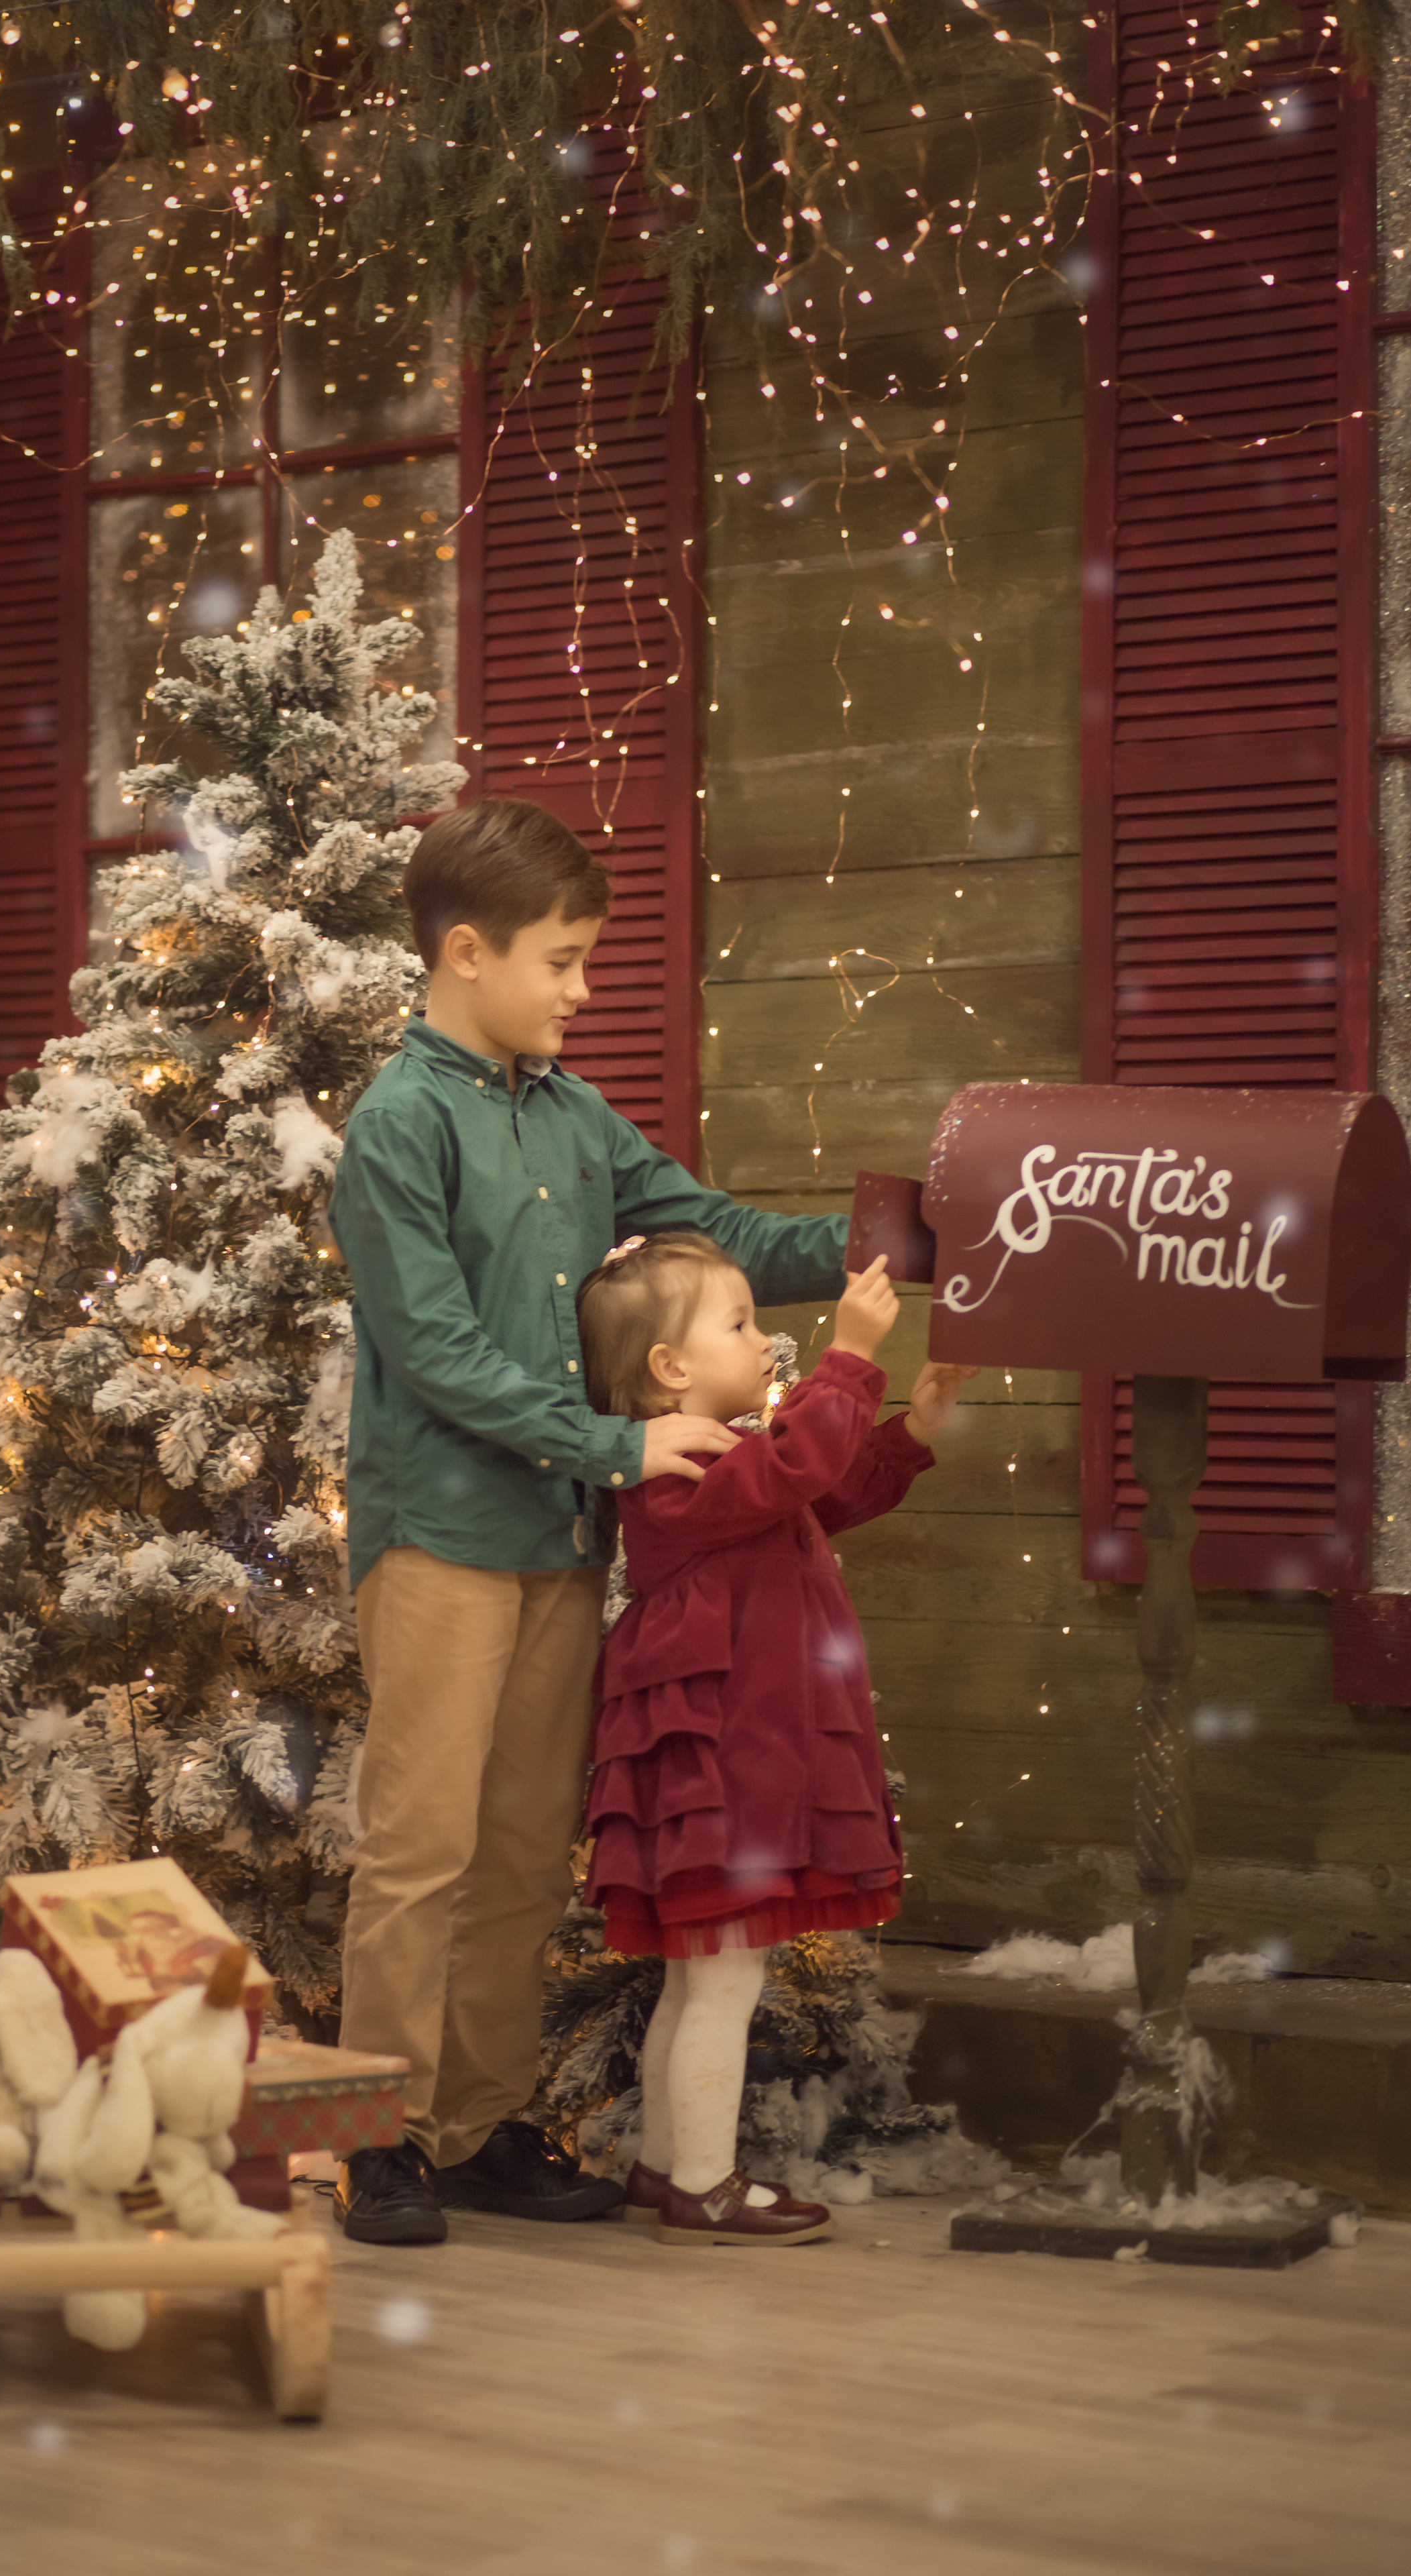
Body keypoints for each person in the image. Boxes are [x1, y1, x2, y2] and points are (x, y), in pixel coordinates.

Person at [324, 798, 854, 2245]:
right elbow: (433, 1352)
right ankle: (378, 2135)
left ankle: (473, 2125)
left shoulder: (570, 1114)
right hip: (438, 1536)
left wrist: (886, 1237)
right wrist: (618, 1443)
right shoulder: (396, 1126)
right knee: (419, 1847)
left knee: (513, 1852)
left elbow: (724, 1237)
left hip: (561, 1541)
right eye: (558, 961)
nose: (578, 988)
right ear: (464, 953)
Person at [574, 1229, 974, 2247]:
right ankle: (705, 2184)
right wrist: (847, 1357)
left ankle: (667, 2168)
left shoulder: (730, 1450)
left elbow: (822, 1487)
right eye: (741, 1324)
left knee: (700, 1971)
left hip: (742, 1741)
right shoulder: (670, 1469)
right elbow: (791, 1473)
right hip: (720, 1748)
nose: (764, 1342)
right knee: (723, 1973)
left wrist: (909, 1432)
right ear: (668, 1370)